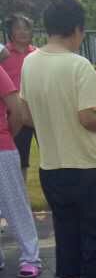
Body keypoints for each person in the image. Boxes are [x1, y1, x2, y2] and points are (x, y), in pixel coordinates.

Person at [19, 0, 96, 278]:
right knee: (93, 232)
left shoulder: (29, 63)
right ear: (77, 29)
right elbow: (87, 118)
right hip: (87, 165)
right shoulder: (78, 65)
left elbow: (25, 114)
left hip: (51, 165)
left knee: (65, 233)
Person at [0, 61, 42, 277]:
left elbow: (16, 110)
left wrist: (7, 134)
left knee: (14, 203)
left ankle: (30, 257)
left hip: (2, 149)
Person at [0, 13, 37, 177]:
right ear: (10, 32)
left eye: (26, 28)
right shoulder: (4, 55)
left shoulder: (37, 54)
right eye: (18, 28)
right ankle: (21, 190)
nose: (22, 32)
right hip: (15, 113)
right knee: (20, 160)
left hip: (38, 110)